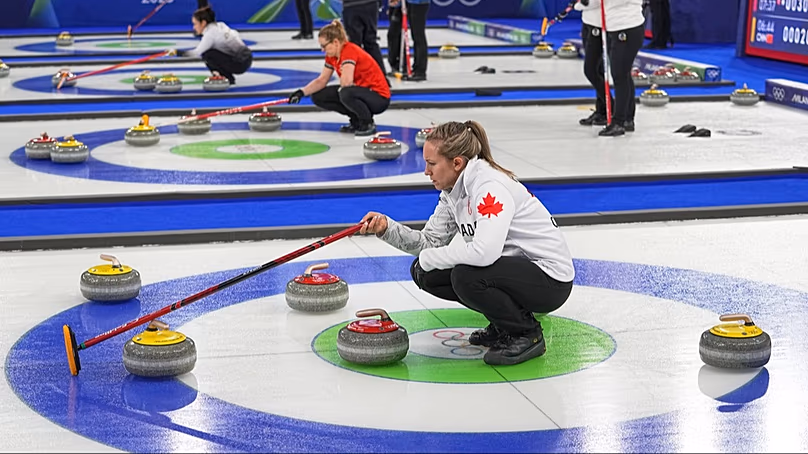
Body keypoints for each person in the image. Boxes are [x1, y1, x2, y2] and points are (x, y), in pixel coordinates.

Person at [358, 121, 575, 366]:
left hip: (550, 280)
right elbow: (430, 243)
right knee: (426, 274)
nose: (426, 172)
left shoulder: (488, 187)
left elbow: (484, 254)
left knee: (465, 276)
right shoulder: (453, 190)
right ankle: (503, 322)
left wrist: (430, 259)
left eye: (431, 164)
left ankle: (525, 333)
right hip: (514, 272)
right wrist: (388, 229)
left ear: (457, 163)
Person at [287, 20, 391, 137]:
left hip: (378, 97)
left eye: (324, 46)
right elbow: (322, 80)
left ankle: (367, 122)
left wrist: (342, 68)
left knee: (345, 92)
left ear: (336, 42)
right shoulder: (331, 56)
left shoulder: (349, 51)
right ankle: (356, 120)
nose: (322, 50)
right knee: (318, 96)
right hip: (361, 91)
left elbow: (346, 82)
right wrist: (301, 92)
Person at [576, 0, 644, 136]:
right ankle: (623, 118)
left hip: (627, 25)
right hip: (612, 26)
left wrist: (581, 4)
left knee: (620, 75)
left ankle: (620, 121)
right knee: (619, 74)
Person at [174, 6, 253, 85]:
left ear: (203, 23)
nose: (194, 27)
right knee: (211, 51)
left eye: (195, 24)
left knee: (207, 54)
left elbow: (195, 53)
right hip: (247, 59)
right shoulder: (220, 25)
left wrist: (176, 52)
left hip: (239, 64)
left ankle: (226, 78)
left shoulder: (210, 34)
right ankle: (227, 77)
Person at [386, 0, 430, 81]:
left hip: (418, 2)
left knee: (417, 35)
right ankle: (399, 65)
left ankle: (420, 71)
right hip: (401, 2)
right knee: (393, 33)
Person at [342, 0, 387, 75]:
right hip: (370, 5)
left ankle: (357, 77)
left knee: (354, 45)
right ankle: (381, 76)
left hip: (351, 6)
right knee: (370, 42)